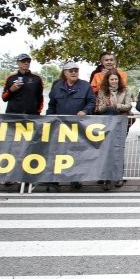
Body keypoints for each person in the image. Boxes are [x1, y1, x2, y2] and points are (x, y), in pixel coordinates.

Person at [46, 61, 95, 191]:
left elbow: (91, 102)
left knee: (75, 153)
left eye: (76, 70)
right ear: (65, 73)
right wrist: (49, 118)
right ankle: (55, 180)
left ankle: (75, 179)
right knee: (58, 152)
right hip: (59, 126)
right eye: (71, 70)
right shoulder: (57, 86)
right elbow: (51, 105)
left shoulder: (85, 86)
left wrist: (85, 111)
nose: (74, 73)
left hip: (77, 126)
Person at [95, 70, 133, 189]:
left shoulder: (126, 90)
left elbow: (129, 105)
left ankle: (118, 176)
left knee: (118, 149)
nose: (114, 81)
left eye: (116, 79)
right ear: (108, 80)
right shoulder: (102, 91)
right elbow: (98, 109)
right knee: (106, 149)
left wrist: (116, 105)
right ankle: (106, 177)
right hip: (107, 124)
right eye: (112, 79)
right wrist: (106, 105)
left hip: (121, 122)